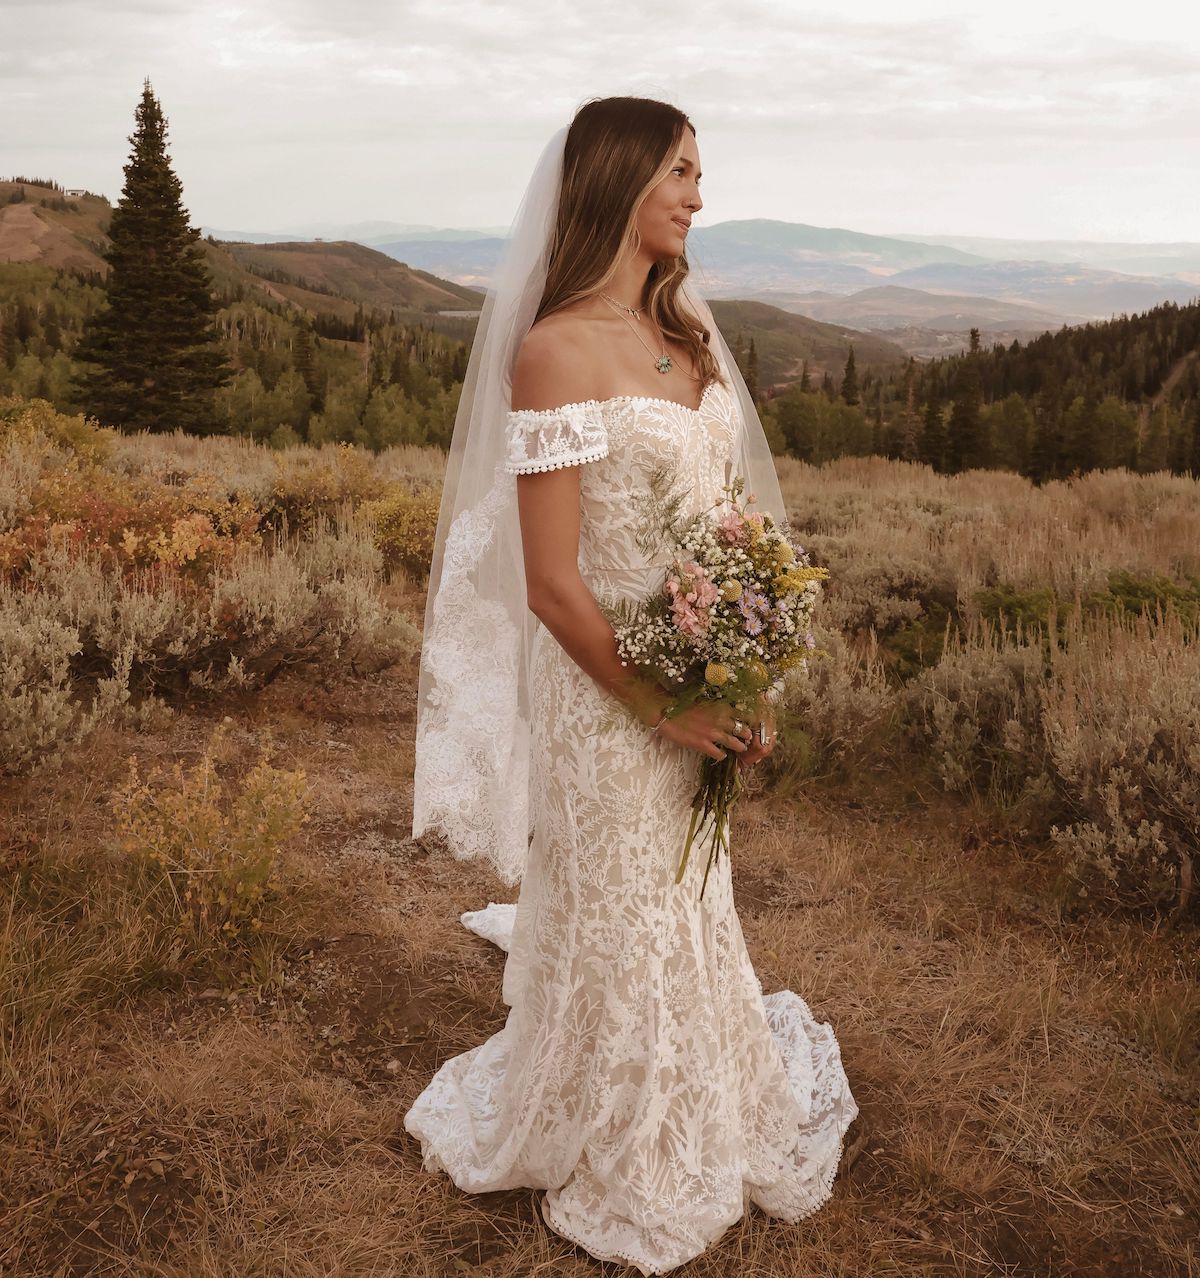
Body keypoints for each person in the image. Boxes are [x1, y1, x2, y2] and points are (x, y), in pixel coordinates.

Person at [405, 95, 860, 1276]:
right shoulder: (552, 350)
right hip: (605, 695)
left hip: (691, 671)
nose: (699, 198)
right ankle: (620, 1133)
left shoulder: (689, 339)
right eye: (683, 174)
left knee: (687, 903)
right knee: (623, 906)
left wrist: (743, 674)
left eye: (700, 176)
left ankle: (696, 1096)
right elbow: (554, 585)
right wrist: (665, 703)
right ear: (619, 184)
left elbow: (727, 529)